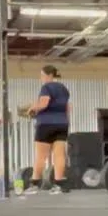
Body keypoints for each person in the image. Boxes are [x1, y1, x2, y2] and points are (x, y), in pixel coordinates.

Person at [24, 64, 71, 195]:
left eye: (42, 75)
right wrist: (66, 123)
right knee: (59, 155)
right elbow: (68, 108)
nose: (41, 78)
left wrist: (32, 109)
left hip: (46, 124)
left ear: (49, 75)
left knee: (41, 156)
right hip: (62, 124)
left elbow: (44, 103)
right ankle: (59, 184)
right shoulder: (64, 89)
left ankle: (34, 185)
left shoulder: (46, 87)